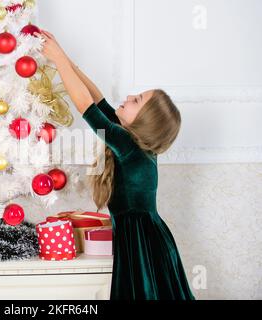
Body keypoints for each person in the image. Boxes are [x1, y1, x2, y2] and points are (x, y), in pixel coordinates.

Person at [35, 30, 195, 300]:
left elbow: (86, 106)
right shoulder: (134, 143)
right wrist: (64, 59)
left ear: (143, 121)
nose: (130, 96)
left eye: (137, 101)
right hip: (149, 238)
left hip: (142, 243)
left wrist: (60, 60)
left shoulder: (129, 145)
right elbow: (98, 100)